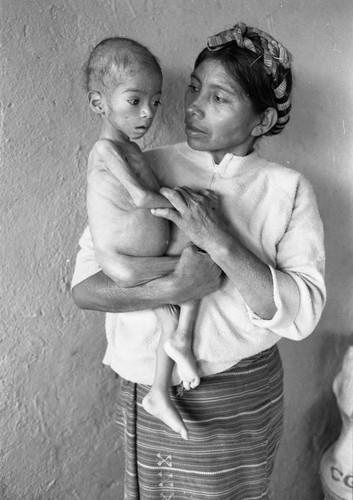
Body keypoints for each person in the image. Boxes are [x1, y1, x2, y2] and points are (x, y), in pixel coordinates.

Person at [72, 22, 326, 500]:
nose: (193, 105)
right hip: (151, 388)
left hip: (243, 393)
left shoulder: (286, 190)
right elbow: (85, 289)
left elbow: (303, 312)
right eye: (193, 88)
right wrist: (174, 286)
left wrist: (221, 241)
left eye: (219, 97)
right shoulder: (149, 165)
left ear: (262, 121)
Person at [84, 37, 207, 440]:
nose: (148, 113)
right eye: (134, 101)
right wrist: (181, 202)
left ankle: (159, 391)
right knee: (200, 266)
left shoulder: (137, 151)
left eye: (155, 102)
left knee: (182, 287)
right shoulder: (106, 150)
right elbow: (140, 198)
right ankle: (181, 348)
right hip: (124, 262)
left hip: (147, 256)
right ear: (99, 104)